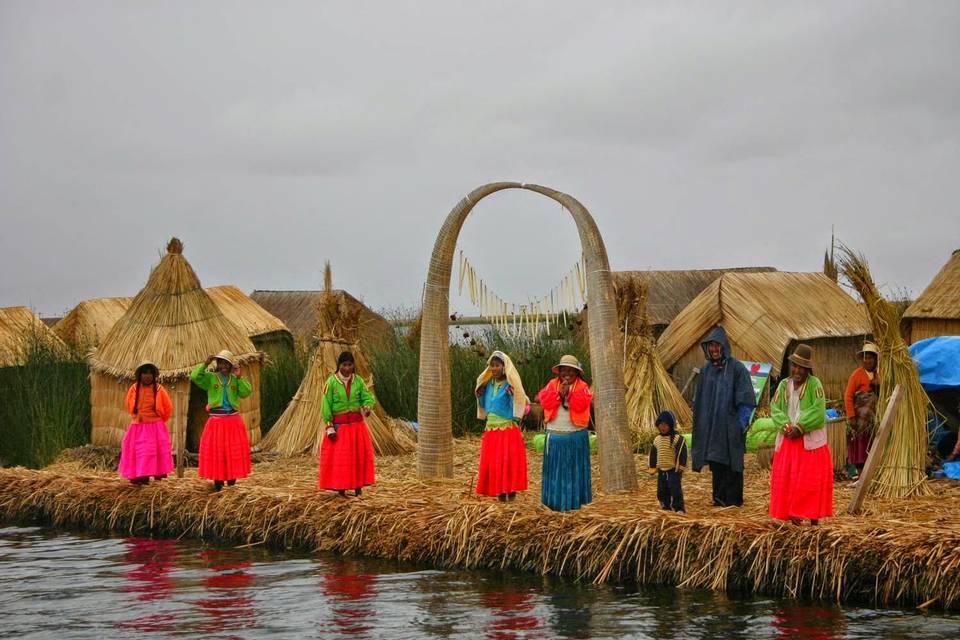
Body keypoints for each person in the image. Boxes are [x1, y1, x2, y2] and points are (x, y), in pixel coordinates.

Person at [769, 344, 833, 525]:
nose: (797, 370)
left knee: (809, 482)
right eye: (794, 366)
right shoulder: (783, 385)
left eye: (802, 367)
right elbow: (775, 409)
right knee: (789, 480)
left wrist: (801, 427)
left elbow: (818, 411)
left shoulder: (815, 385)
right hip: (789, 438)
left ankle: (813, 518)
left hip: (808, 441)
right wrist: (786, 426)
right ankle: (792, 513)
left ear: (808, 369)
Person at [691, 326, 756, 507]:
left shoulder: (737, 369)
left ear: (724, 347)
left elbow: (746, 399)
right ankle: (719, 499)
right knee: (716, 461)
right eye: (711, 346)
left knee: (732, 463)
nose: (714, 350)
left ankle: (733, 502)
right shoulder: (706, 371)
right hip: (713, 427)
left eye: (717, 346)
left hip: (731, 425)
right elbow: (700, 399)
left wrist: (741, 424)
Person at [538, 354, 593, 511]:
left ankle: (573, 504)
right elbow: (544, 400)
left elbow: (582, 405)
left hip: (574, 437)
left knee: (572, 470)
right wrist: (559, 394)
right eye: (564, 370)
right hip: (555, 436)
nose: (567, 374)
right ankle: (554, 503)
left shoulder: (583, 387)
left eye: (571, 371)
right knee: (555, 471)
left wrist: (569, 394)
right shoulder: (552, 384)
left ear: (577, 373)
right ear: (559, 372)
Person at [191, 350, 253, 491]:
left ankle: (231, 478)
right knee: (217, 451)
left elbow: (246, 392)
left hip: (232, 420)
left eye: (226, 363)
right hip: (216, 421)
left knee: (231, 451)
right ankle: (217, 480)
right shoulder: (211, 378)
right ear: (217, 364)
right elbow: (195, 376)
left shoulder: (234, 379)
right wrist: (205, 364)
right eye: (221, 362)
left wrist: (240, 378)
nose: (224, 366)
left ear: (231, 365)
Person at [319, 351, 376, 497]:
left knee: (357, 458)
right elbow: (326, 405)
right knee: (342, 460)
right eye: (344, 365)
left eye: (350, 365)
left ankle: (358, 487)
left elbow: (367, 397)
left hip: (357, 427)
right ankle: (341, 489)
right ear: (339, 365)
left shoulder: (358, 381)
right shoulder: (331, 382)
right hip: (341, 427)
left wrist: (367, 406)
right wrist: (329, 426)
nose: (347, 368)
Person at [475, 350, 529, 502]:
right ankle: (499, 493)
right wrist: (479, 397)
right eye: (491, 365)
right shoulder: (489, 386)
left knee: (506, 461)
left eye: (497, 365)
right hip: (491, 430)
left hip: (507, 430)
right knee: (495, 463)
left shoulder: (510, 386)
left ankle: (510, 493)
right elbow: (486, 407)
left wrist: (513, 395)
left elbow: (521, 405)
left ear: (504, 367)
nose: (493, 368)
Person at [119, 361, 174, 485]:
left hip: (155, 427)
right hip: (138, 427)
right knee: (140, 452)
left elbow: (168, 408)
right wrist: (138, 417)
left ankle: (156, 476)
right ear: (140, 375)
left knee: (152, 451)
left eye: (150, 373)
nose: (147, 376)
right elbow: (128, 404)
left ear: (154, 375)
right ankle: (139, 476)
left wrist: (157, 421)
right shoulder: (134, 388)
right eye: (145, 373)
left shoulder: (160, 389)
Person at [844, 342, 879, 479]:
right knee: (859, 444)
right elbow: (848, 395)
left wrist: (879, 385)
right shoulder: (857, 374)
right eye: (865, 358)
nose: (867, 361)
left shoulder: (879, 374)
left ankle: (871, 475)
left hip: (873, 419)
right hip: (859, 418)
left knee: (871, 444)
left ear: (875, 359)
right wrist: (851, 416)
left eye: (870, 358)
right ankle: (860, 475)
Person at [648, 410, 687, 513]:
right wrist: (652, 467)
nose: (663, 427)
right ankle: (665, 506)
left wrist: (681, 466)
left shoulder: (677, 439)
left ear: (670, 425)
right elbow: (653, 454)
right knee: (661, 491)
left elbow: (682, 453)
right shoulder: (657, 439)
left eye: (665, 425)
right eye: (660, 425)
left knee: (676, 490)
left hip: (673, 471)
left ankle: (679, 508)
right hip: (661, 471)